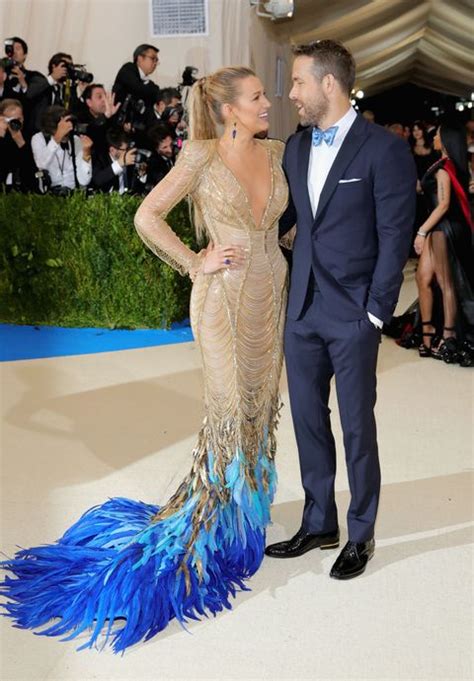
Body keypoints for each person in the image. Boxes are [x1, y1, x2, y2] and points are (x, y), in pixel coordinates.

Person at [1, 66, 290, 652]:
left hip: (270, 299)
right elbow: (145, 216)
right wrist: (195, 261)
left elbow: (280, 224)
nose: (268, 102)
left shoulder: (278, 151)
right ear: (230, 108)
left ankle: (243, 524)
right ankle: (205, 533)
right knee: (229, 411)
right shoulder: (202, 157)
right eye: (258, 96)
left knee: (261, 409)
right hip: (223, 301)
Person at [265, 40, 416, 579]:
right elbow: (292, 220)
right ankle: (318, 521)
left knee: (356, 426)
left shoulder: (384, 149)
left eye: (300, 81)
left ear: (329, 83)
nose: (292, 93)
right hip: (302, 309)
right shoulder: (295, 149)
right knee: (308, 420)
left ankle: (361, 532)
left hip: (354, 313)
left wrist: (376, 312)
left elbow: (395, 234)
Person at [412, 124, 473, 363]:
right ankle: (428, 335)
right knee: (422, 278)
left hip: (442, 229)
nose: (434, 137)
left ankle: (448, 338)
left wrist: (421, 231)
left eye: (437, 134)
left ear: (446, 138)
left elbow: (444, 204)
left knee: (445, 283)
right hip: (437, 228)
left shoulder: (445, 168)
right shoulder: (443, 165)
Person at [31, 105, 93, 192]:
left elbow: (84, 180)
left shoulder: (76, 140)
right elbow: (41, 164)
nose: (66, 131)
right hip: (49, 196)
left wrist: (86, 154)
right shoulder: (38, 139)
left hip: (75, 194)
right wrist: (57, 137)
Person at [0, 98, 37, 191]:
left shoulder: (29, 136)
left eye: (19, 119)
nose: (17, 123)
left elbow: (31, 172)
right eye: (12, 119)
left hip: (21, 188)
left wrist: (21, 143)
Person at [112, 44, 160, 116]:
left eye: (156, 60)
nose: (155, 63)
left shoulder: (148, 82)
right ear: (140, 58)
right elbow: (138, 88)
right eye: (153, 59)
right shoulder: (128, 69)